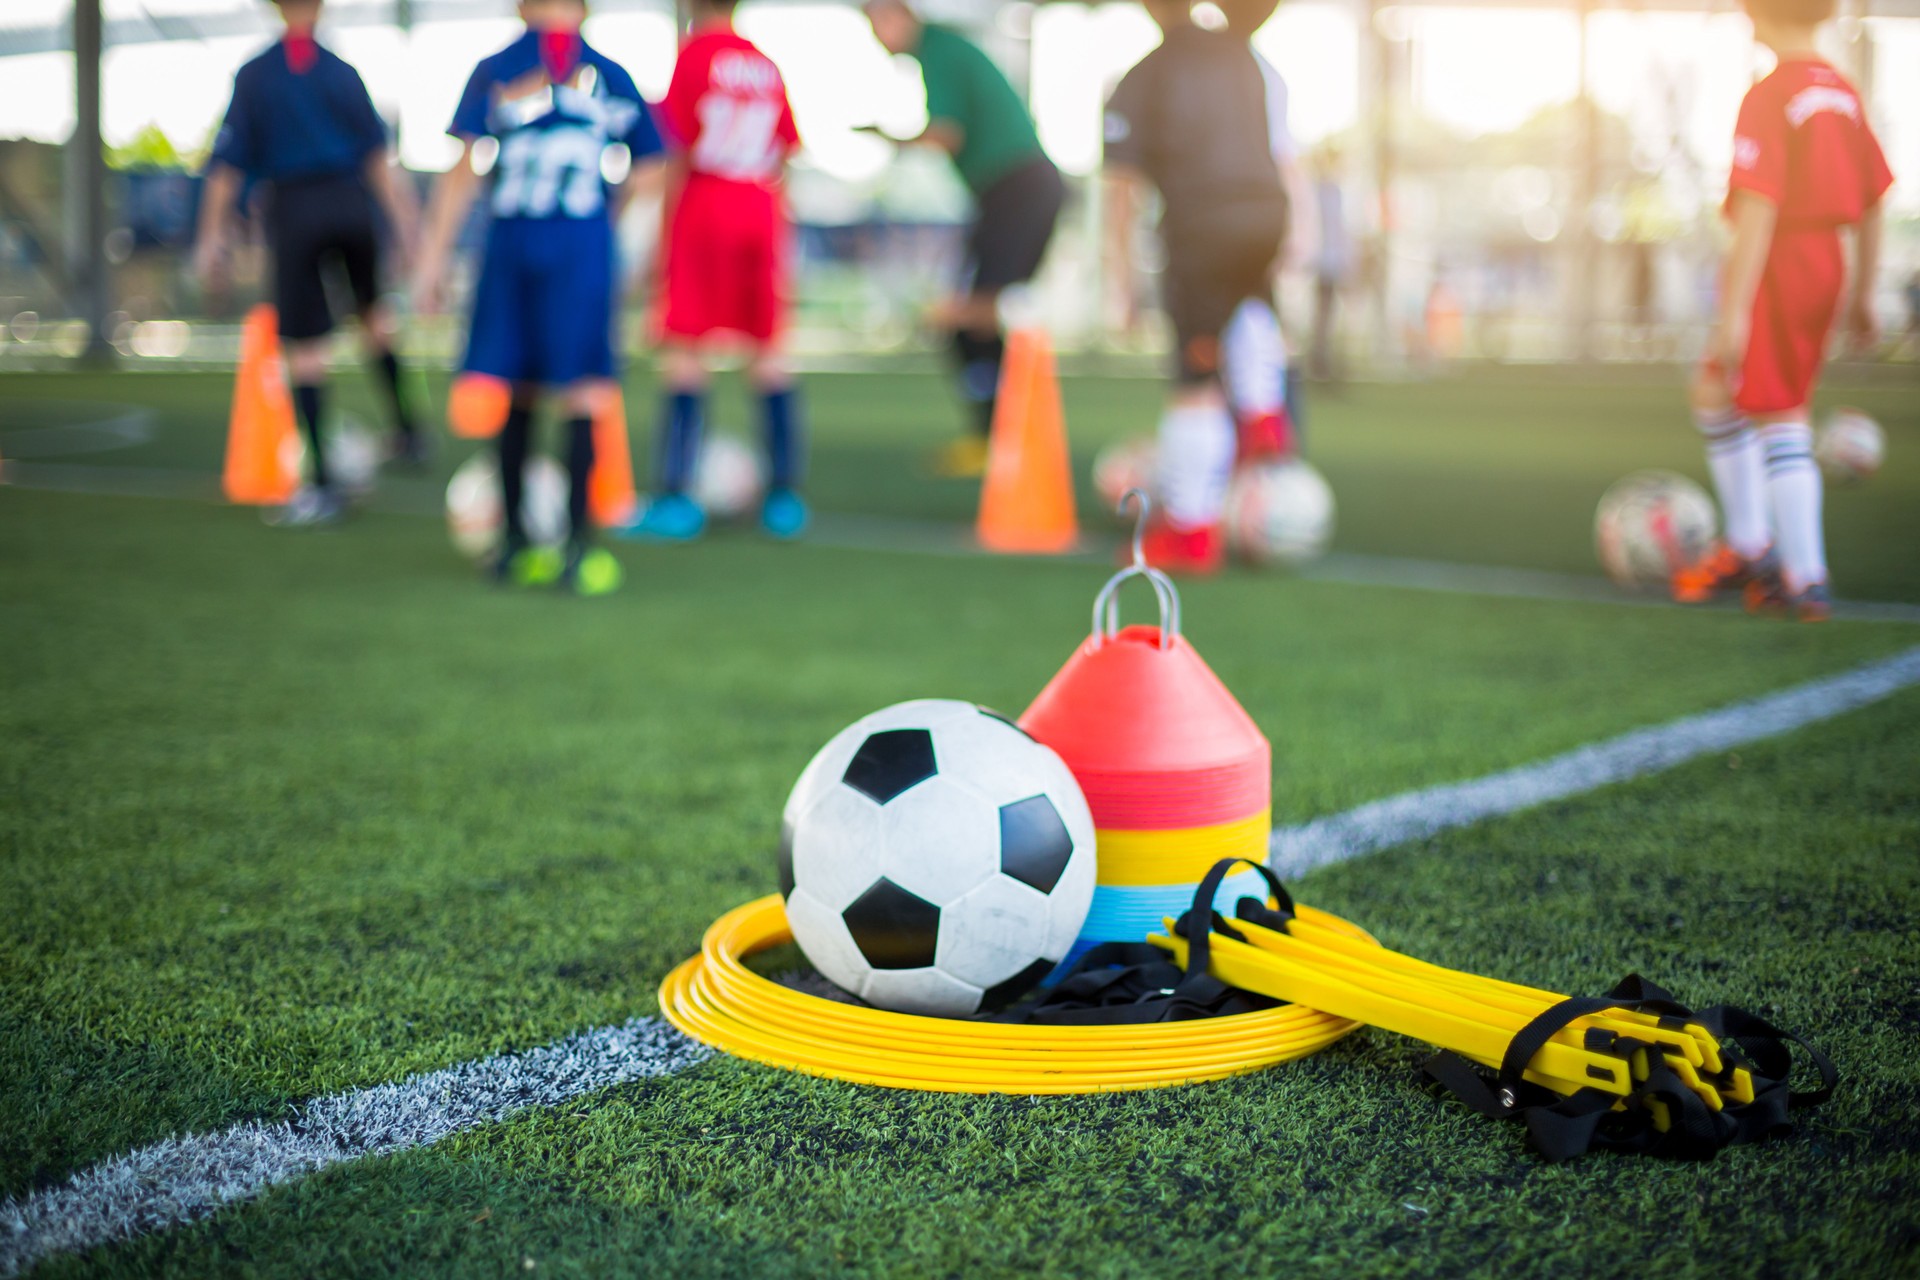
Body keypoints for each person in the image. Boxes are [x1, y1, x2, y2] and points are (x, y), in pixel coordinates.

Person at [413, 0, 664, 596]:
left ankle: (521, 545)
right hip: (574, 247)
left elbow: (462, 169)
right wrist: (613, 225)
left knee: (526, 388)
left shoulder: (500, 67)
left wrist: (433, 258)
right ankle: (572, 548)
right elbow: (651, 168)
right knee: (571, 391)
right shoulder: (605, 71)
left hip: (523, 245)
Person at [1671, 0, 1891, 622]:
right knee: (1714, 388)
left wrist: (1735, 311)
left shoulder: (1770, 95)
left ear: (1755, 14)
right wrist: (1864, 290)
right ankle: (1750, 545)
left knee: (1780, 412)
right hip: (1827, 261)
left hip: (1780, 262)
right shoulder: (1842, 92)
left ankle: (1803, 576)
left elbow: (1758, 207)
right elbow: (1875, 198)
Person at [195, 0, 423, 528]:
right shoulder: (341, 72)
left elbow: (226, 166)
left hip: (295, 208)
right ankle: (409, 431)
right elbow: (378, 160)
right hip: (350, 203)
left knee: (305, 345)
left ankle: (321, 481)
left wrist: (210, 237)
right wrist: (408, 229)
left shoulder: (256, 74)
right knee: (373, 315)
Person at [1103, 0, 1291, 575]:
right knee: (1249, 304)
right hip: (1266, 214)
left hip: (1201, 228)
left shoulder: (1144, 74)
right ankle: (1262, 416)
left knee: (1195, 385)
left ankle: (1191, 531)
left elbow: (1121, 188)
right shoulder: (1243, 56)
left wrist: (1122, 281)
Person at [626, 0, 807, 543]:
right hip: (760, 206)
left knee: (685, 351)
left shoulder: (694, 57)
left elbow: (675, 153)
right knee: (769, 351)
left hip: (705, 207)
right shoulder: (764, 63)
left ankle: (677, 497)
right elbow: (786, 150)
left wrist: (660, 240)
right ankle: (784, 497)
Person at [863, 0, 1065, 477]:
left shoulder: (938, 51)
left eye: (877, 23)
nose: (877, 38)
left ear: (900, 15)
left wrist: (890, 138)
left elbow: (946, 134)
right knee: (972, 322)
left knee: (968, 313)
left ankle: (1011, 437)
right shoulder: (942, 49)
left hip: (1018, 189)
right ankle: (996, 437)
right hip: (1008, 194)